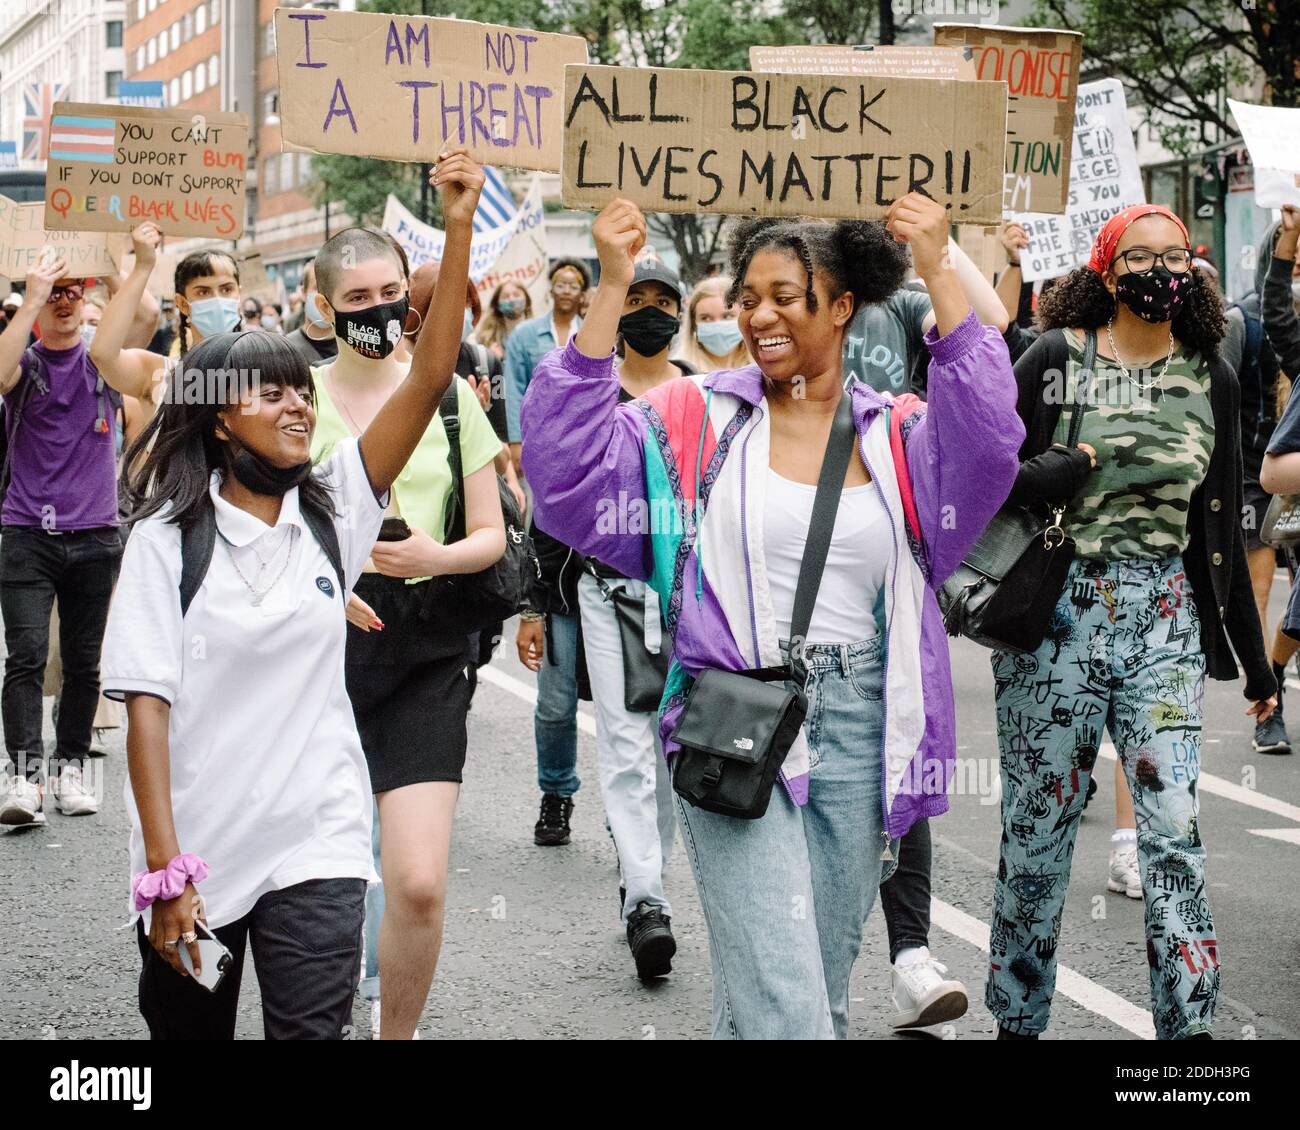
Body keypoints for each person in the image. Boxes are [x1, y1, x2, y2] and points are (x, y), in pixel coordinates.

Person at [522, 194, 1023, 1039]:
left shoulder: (899, 434)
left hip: (864, 723)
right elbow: (562, 471)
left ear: (840, 307)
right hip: (734, 718)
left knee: (804, 994)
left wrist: (938, 265)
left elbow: (990, 442)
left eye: (784, 296)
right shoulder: (691, 418)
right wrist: (610, 286)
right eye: (747, 297)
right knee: (789, 1008)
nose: (758, 315)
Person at [98, 149, 484, 1041]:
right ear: (220, 415)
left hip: (318, 839)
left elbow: (428, 377)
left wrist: (457, 224)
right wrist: (166, 871)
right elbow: (146, 710)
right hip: (198, 850)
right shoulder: (165, 542)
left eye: (301, 391)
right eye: (268, 392)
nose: (297, 406)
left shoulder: (335, 509)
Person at [988, 203, 1276, 1042]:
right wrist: (1047, 475)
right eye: (1141, 258)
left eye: (1176, 258)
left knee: (1174, 837)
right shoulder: (1053, 357)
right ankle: (1018, 1022)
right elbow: (979, 469)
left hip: (1165, 619)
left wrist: (1258, 670)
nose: (1161, 272)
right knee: (1038, 832)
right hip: (1057, 616)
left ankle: (1188, 1040)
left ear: (1191, 273)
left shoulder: (1213, 374)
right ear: (1107, 273)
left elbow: (1217, 535)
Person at [310, 218, 506, 1041]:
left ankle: (398, 1034)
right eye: (357, 298)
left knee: (417, 882)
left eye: (391, 294)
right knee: (326, 881)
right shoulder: (291, 394)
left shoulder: (449, 395)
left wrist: (436, 552)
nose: (379, 310)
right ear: (325, 309)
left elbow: (492, 535)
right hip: (316, 659)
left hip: (425, 650)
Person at [0, 254, 157, 827]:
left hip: (96, 533)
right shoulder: (26, 362)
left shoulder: (104, 362)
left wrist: (133, 258)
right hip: (26, 534)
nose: (64, 301)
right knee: (26, 657)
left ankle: (70, 770)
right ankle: (23, 777)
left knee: (87, 663)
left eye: (74, 290)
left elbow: (143, 312)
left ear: (89, 297)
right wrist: (34, 295)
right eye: (52, 293)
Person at [577, 249, 690, 979]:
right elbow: (560, 493)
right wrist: (533, 603)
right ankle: (648, 901)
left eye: (663, 299)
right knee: (623, 744)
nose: (649, 309)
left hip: (689, 594)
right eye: (635, 296)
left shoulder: (707, 395)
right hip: (605, 590)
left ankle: (645, 864)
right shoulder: (590, 394)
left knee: (672, 749)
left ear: (679, 315)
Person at [1229, 213, 1298, 755]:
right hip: (1259, 471)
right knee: (1256, 593)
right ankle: (1265, 697)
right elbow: (1276, 307)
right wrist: (1288, 237)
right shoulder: (1253, 320)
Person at [92, 229, 243, 410]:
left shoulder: (265, 369)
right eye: (203, 292)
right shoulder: (158, 374)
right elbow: (103, 354)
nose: (217, 299)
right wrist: (142, 267)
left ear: (239, 294)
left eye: (226, 289)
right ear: (182, 303)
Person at [504, 257, 590, 475]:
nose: (566, 291)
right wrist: (515, 440)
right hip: (536, 439)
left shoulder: (592, 336)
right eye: (560, 285)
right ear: (551, 290)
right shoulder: (524, 334)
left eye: (573, 286)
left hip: (582, 441)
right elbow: (514, 388)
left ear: (582, 294)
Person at [675, 275, 751, 373]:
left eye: (727, 316)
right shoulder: (681, 372)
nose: (718, 326)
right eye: (706, 318)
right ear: (693, 325)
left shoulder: (764, 370)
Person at [282, 259, 338, 370]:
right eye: (318, 288)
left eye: (331, 288)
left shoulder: (354, 348)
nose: (324, 296)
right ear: (303, 293)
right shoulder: (285, 350)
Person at [475, 280, 532, 361]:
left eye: (516, 295)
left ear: (527, 301)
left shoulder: (538, 332)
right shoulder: (486, 338)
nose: (511, 300)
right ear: (497, 304)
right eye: (506, 296)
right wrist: (492, 359)